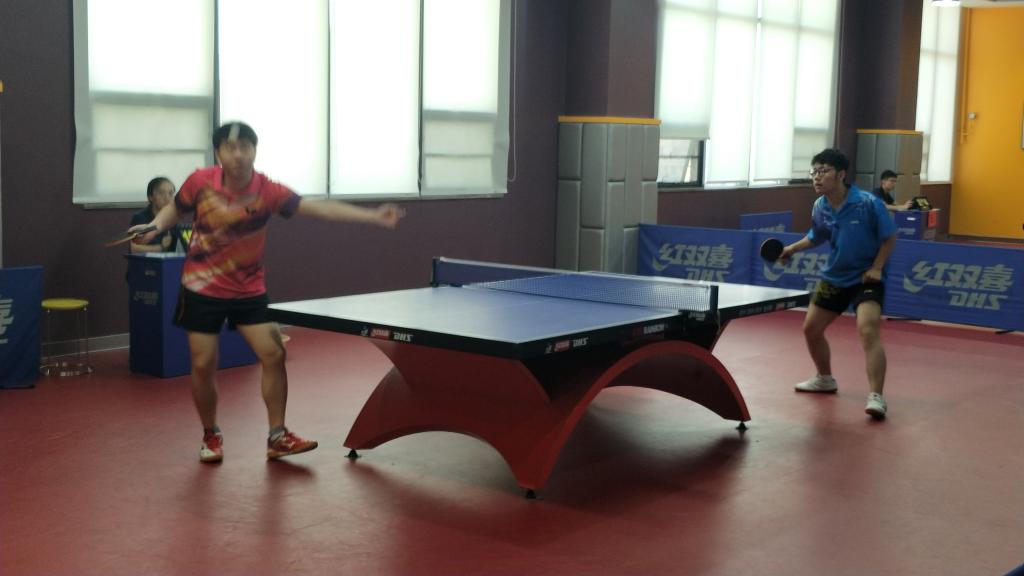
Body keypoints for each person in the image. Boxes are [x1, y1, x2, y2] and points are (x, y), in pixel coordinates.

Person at [131, 121, 405, 463]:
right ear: (218, 152)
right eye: (231, 148)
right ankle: (211, 433)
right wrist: (155, 226)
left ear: (254, 151)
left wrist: (371, 216)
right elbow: (176, 208)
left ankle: (278, 436)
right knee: (203, 364)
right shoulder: (200, 181)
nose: (238, 155)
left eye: (245, 147)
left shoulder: (267, 190)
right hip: (201, 287)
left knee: (273, 354)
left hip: (248, 288)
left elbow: (316, 207)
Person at [777, 148, 897, 419]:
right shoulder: (820, 206)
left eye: (824, 171)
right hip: (835, 276)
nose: (817, 177)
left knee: (868, 329)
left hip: (866, 276)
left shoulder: (868, 203)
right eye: (814, 171)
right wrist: (792, 249)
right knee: (811, 329)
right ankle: (825, 379)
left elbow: (889, 237)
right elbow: (816, 235)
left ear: (841, 174)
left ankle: (876, 396)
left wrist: (877, 267)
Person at [129, 177, 182, 253]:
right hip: (146, 260)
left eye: (170, 193)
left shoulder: (173, 219)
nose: (167, 198)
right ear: (150, 197)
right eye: (161, 193)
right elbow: (134, 249)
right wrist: (161, 247)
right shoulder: (140, 218)